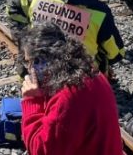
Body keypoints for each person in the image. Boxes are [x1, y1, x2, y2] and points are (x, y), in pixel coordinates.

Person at [18, 22, 123, 155]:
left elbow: (41, 150)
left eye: (30, 62)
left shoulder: (67, 96)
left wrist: (33, 100)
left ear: (44, 60)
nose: (29, 68)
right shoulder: (91, 73)